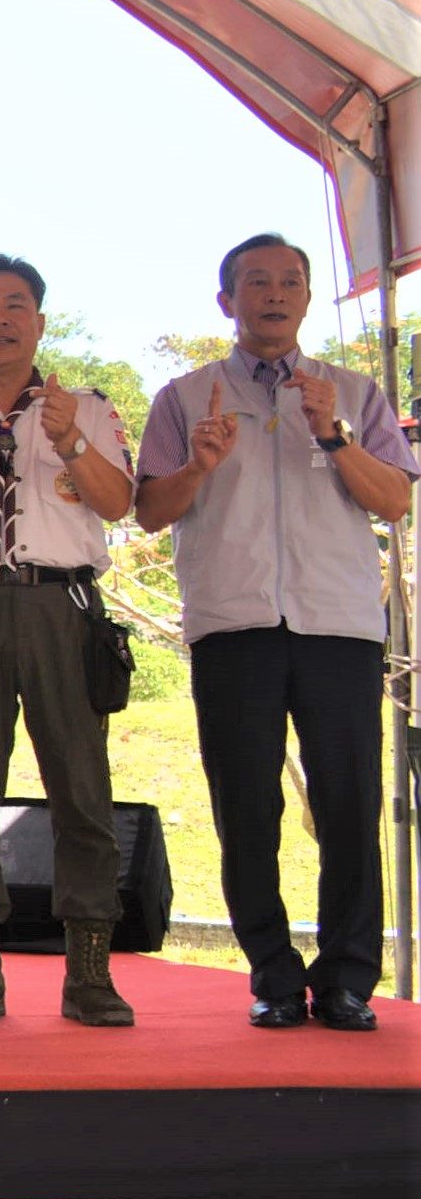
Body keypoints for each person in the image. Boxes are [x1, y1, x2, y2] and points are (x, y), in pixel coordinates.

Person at [135, 232, 416, 1032]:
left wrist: (333, 434)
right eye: (257, 282)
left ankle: (349, 978)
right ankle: (273, 974)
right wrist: (199, 464)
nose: (275, 294)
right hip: (234, 623)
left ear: (306, 298)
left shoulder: (351, 392)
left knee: (349, 803)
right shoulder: (186, 397)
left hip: (338, 626)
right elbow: (149, 510)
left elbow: (395, 499)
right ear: (227, 300)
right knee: (247, 807)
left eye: (291, 281)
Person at [0, 254, 139, 1027]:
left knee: (81, 787)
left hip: (61, 607)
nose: (0, 319)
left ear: (39, 322)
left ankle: (90, 972)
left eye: (15, 305)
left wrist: (71, 441)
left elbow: (118, 502)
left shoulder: (89, 408)